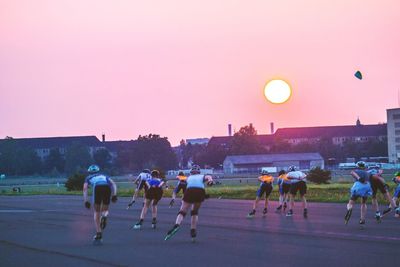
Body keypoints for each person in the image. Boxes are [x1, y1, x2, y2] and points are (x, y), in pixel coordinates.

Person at [165, 165, 213, 242]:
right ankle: (193, 231)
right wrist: (210, 181)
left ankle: (177, 225)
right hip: (200, 192)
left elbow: (180, 177)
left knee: (182, 211)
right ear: (199, 172)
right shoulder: (202, 176)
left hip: (190, 191)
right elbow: (208, 177)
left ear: (191, 172)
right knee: (194, 212)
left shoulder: (189, 177)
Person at [83, 164, 118, 243]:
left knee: (97, 211)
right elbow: (113, 184)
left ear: (89, 172)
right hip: (106, 187)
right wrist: (114, 195)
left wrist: (86, 201)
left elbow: (85, 189)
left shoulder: (88, 177)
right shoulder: (104, 175)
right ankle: (104, 216)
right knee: (105, 209)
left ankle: (99, 233)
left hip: (97, 187)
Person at [344, 161, 372, 227]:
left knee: (350, 202)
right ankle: (362, 220)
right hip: (367, 186)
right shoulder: (367, 173)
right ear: (364, 166)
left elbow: (352, 172)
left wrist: (359, 178)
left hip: (358, 186)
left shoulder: (357, 171)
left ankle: (349, 209)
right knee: (363, 203)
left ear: (357, 166)